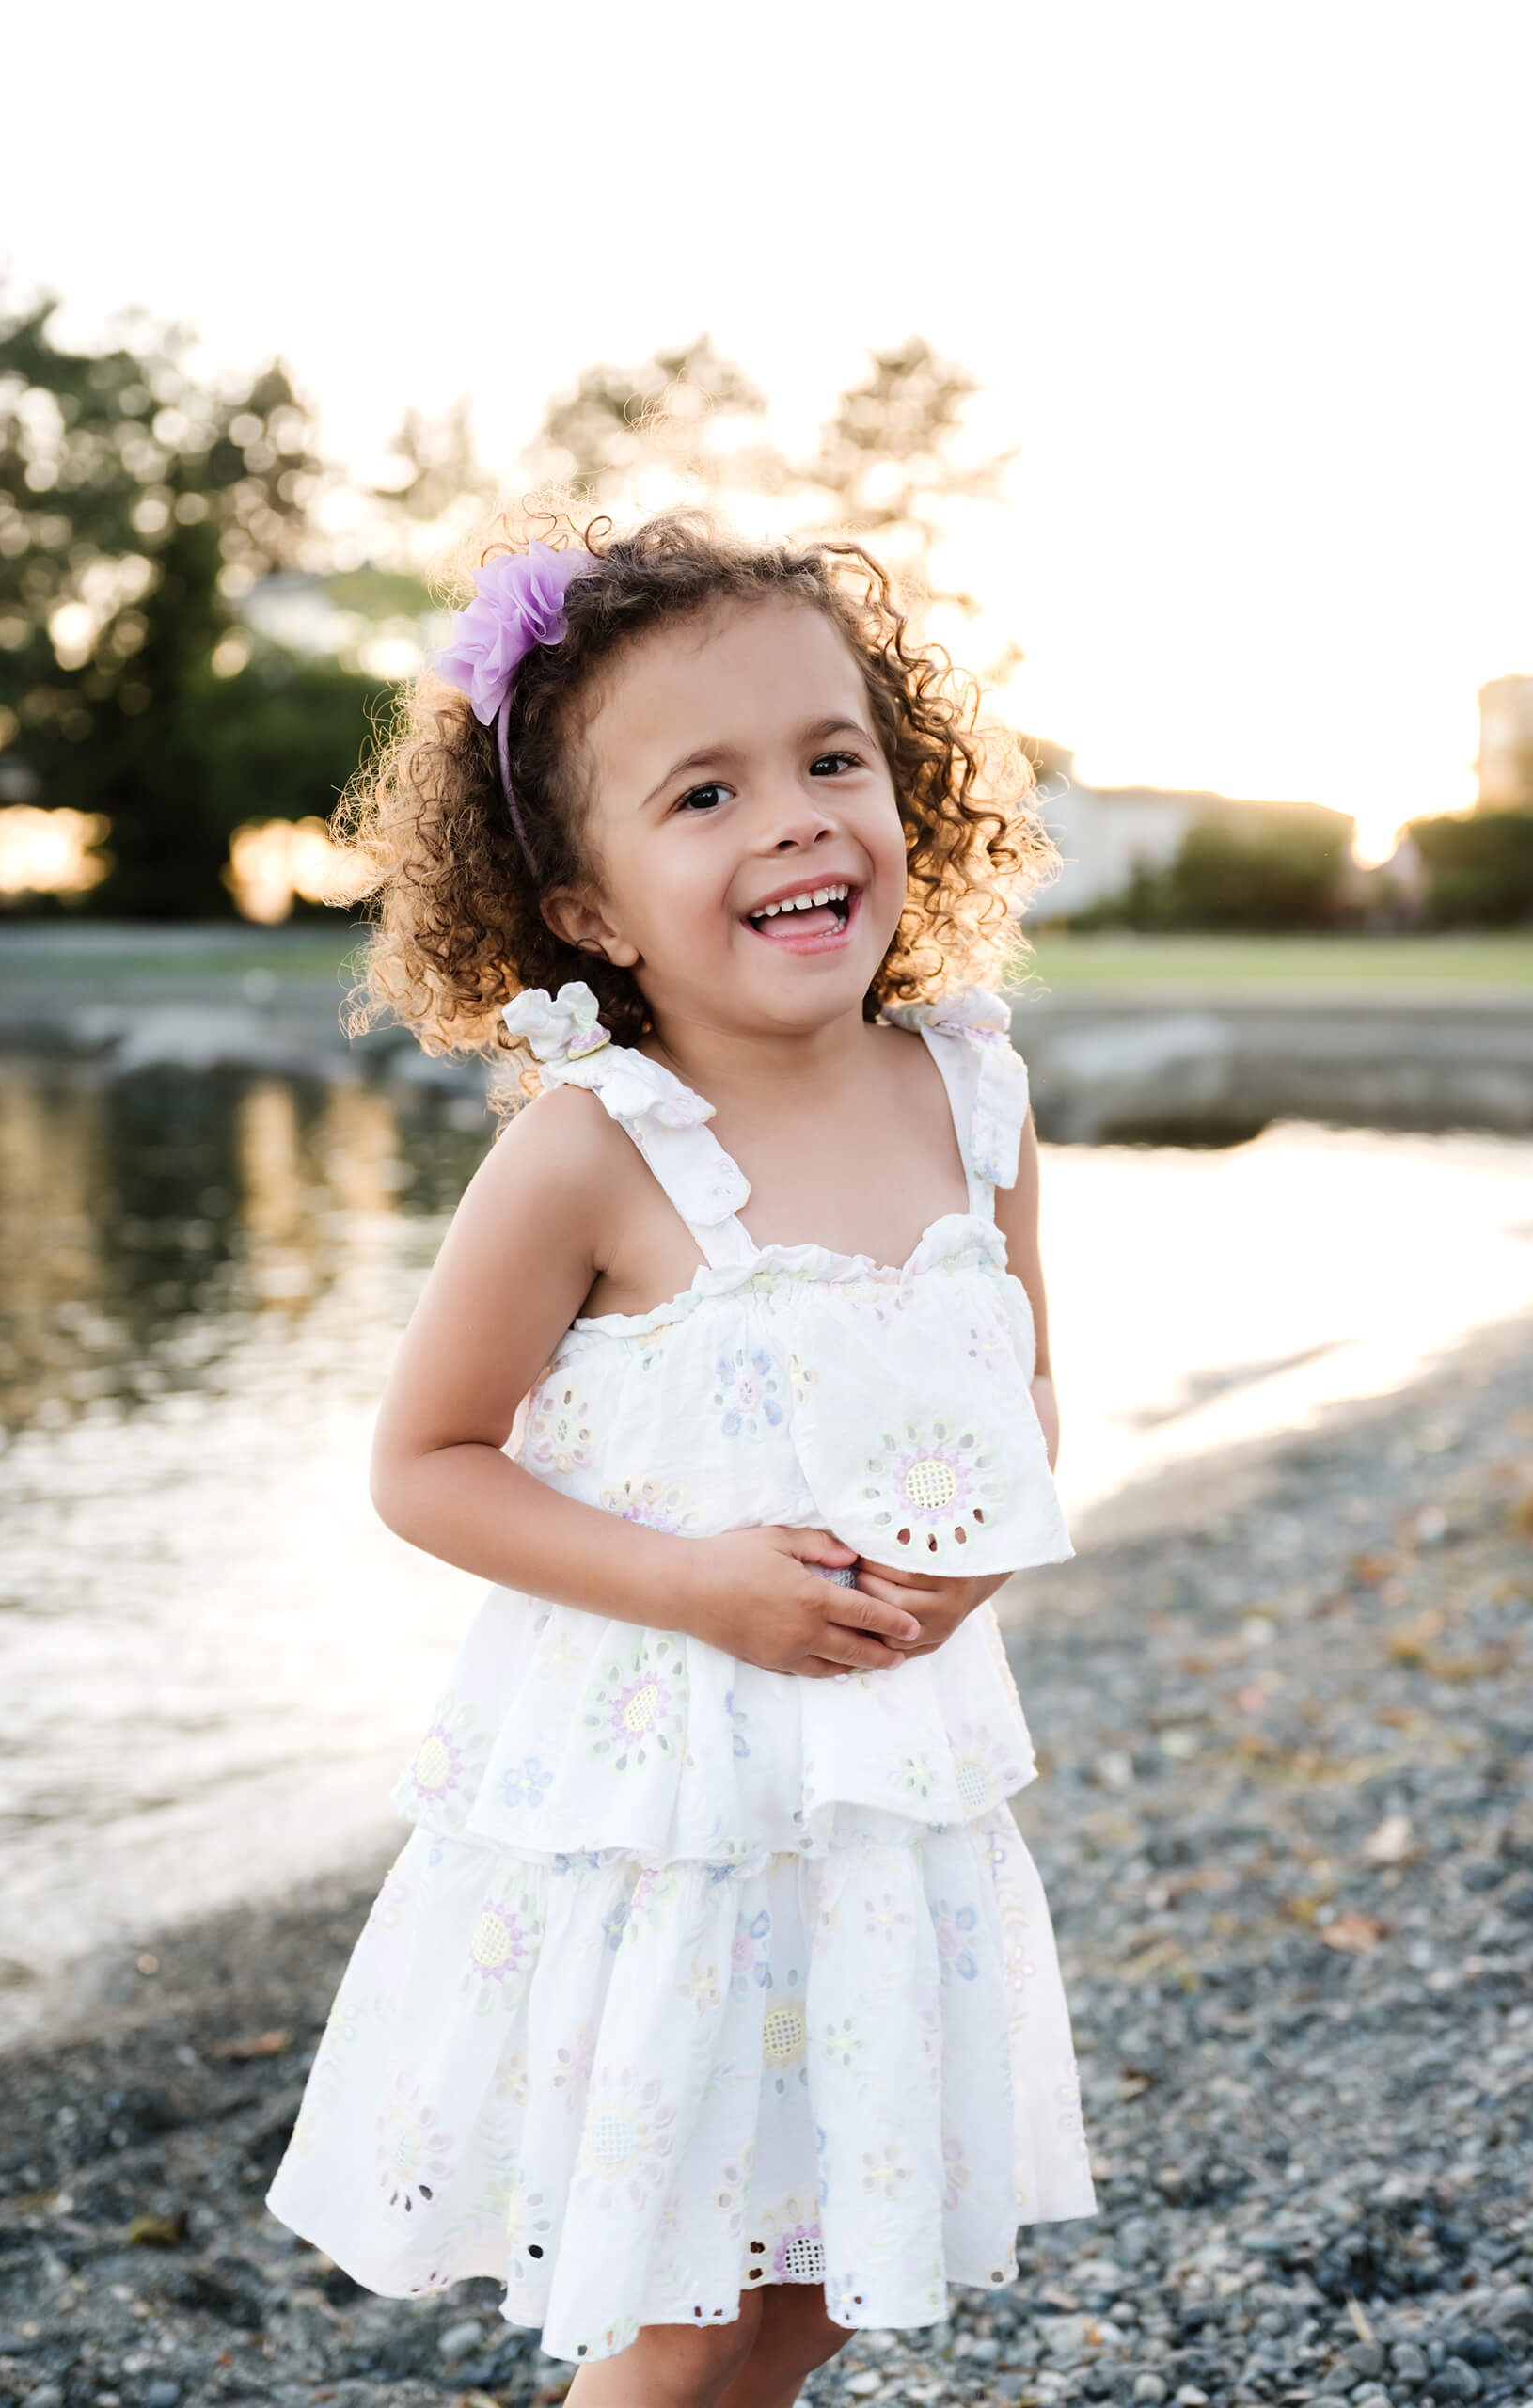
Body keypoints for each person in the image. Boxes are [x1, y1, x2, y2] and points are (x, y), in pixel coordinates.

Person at [266, 508, 1098, 2405]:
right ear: (584, 904)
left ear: (912, 796)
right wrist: (695, 1581)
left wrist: (963, 1552)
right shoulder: (592, 1145)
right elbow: (427, 1458)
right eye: (704, 792)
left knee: (810, 2277)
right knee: (687, 2291)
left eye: (831, 759)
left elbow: (1017, 1390)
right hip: (670, 1825)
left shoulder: (968, 1093)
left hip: (882, 1803)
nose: (798, 818)